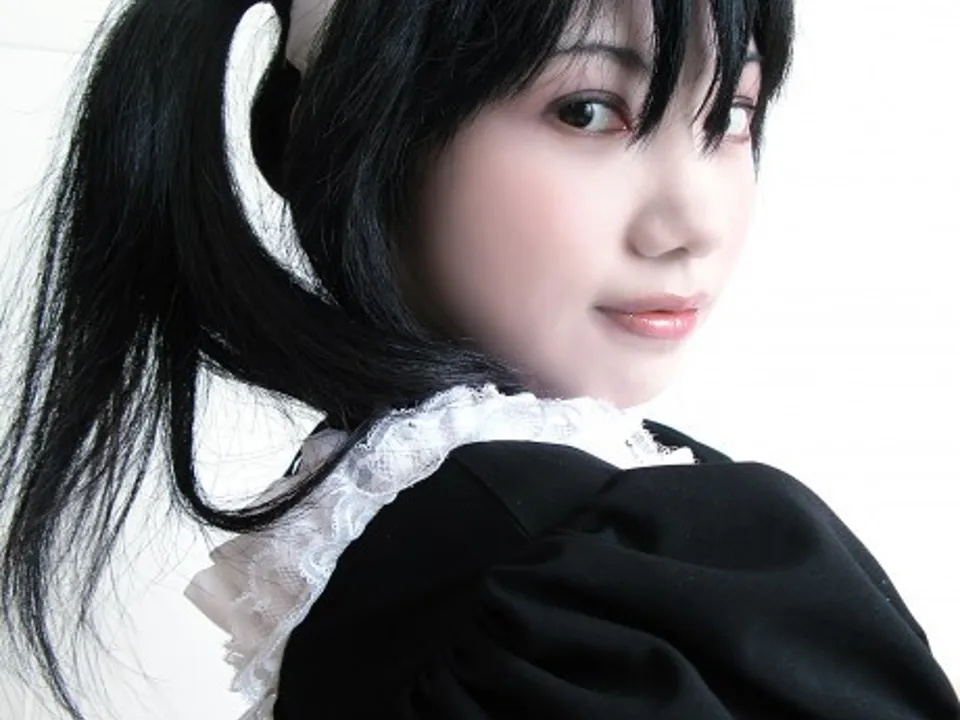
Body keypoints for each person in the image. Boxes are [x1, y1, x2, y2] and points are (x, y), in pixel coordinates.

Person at [0, 0, 957, 718]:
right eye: (588, 111)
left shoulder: (415, 547)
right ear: (362, 138)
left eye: (732, 116)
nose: (695, 222)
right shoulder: (572, 577)